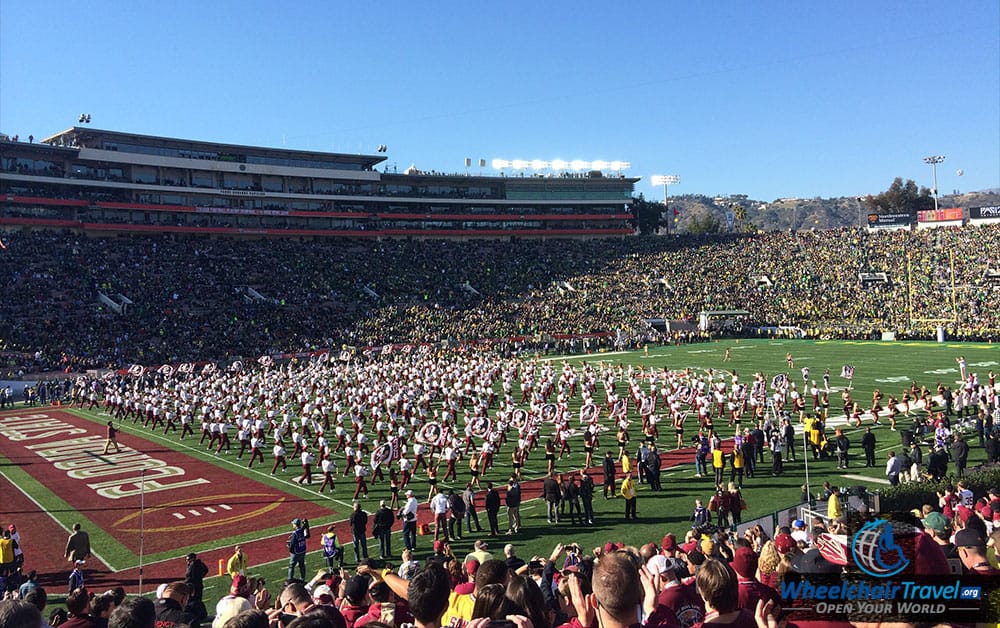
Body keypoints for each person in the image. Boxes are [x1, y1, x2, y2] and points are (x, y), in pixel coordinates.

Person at [184, 553, 209, 619]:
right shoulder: (200, 563)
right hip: (199, 585)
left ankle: (195, 615)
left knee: (192, 601)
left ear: (192, 558)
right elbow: (206, 570)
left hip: (193, 587)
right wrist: (200, 577)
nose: (187, 561)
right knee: (199, 600)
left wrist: (184, 584)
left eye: (188, 559)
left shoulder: (191, 566)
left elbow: (188, 577)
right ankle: (200, 613)